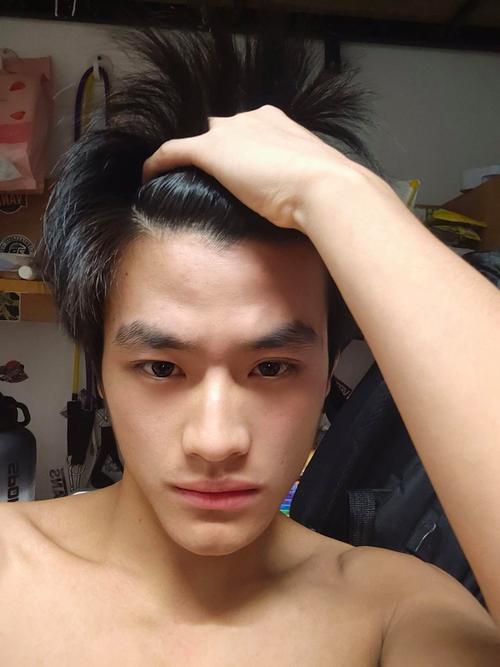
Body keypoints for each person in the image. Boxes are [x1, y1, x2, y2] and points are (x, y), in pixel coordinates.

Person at [1, 27, 500, 665]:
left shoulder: (396, 614)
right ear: (100, 372)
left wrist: (338, 194)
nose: (216, 442)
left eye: (271, 367)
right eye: (161, 367)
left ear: (329, 370)